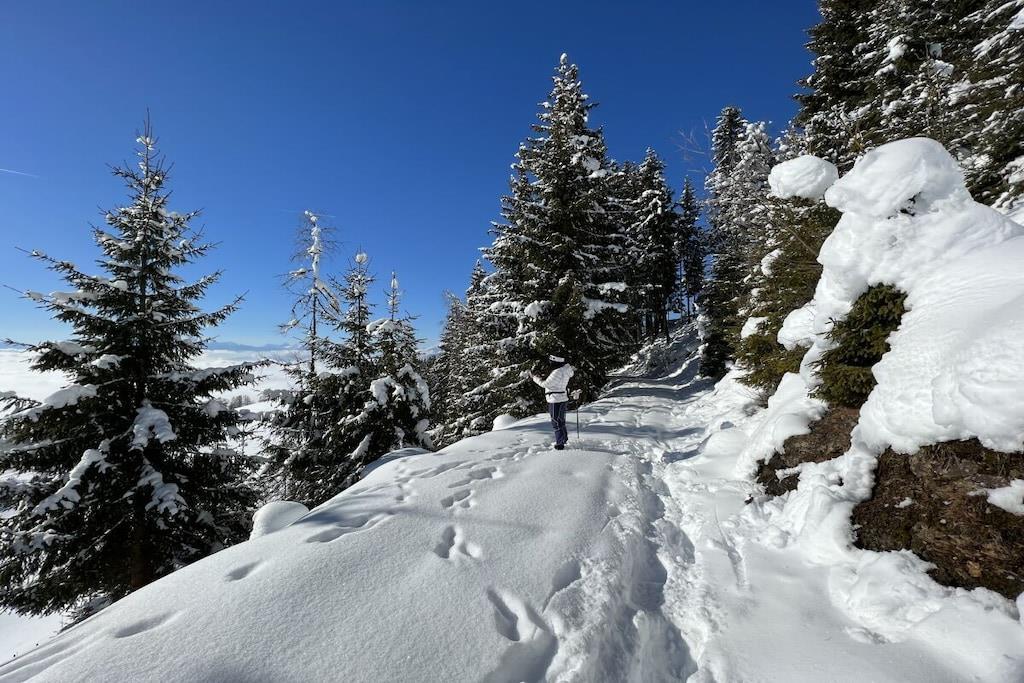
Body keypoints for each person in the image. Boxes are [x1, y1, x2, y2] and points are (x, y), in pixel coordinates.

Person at [530, 354, 575, 450]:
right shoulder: (564, 369)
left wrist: (535, 378)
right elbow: (554, 382)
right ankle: (563, 439)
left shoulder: (558, 371)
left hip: (555, 399)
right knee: (560, 420)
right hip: (561, 398)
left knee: (555, 421)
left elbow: (546, 384)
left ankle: (560, 443)